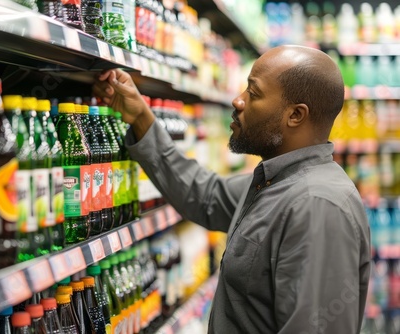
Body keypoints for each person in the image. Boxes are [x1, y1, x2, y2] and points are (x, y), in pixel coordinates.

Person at [93, 45, 371, 333]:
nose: (238, 101)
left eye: (254, 93)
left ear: (295, 115)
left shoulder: (317, 206)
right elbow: (206, 195)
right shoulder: (274, 182)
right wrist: (140, 118)